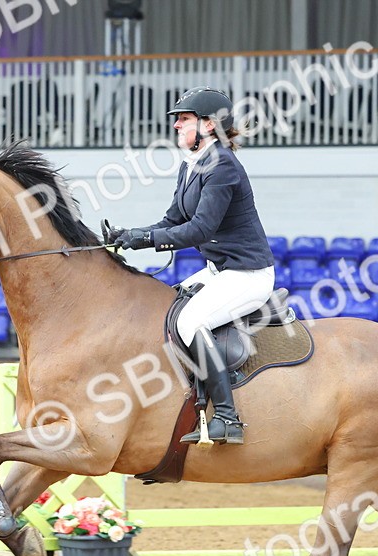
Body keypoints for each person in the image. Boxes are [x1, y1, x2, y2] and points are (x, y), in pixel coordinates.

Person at [110, 87, 275, 446]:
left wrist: (147, 240)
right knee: (169, 307)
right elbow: (171, 220)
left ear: (208, 124)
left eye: (183, 119)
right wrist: (131, 234)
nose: (176, 126)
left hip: (247, 274)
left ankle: (229, 419)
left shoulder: (224, 166)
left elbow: (201, 229)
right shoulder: (192, 165)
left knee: (191, 321)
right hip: (221, 270)